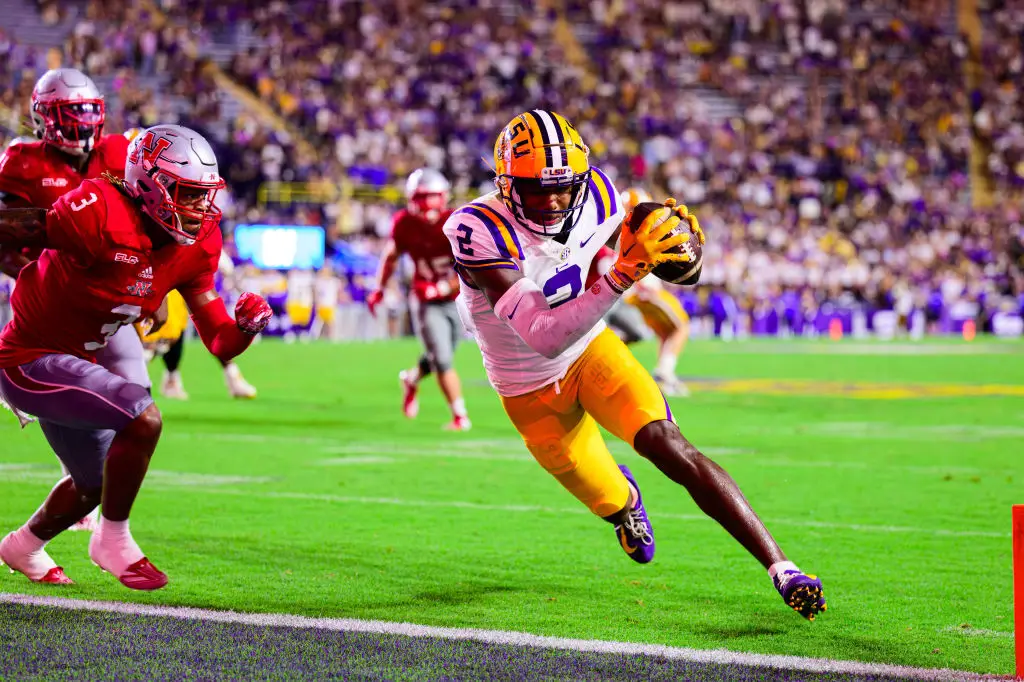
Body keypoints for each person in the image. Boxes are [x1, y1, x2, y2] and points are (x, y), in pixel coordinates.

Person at [442, 109, 826, 619]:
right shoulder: (478, 229)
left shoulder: (598, 194)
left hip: (593, 354)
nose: (553, 201)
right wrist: (624, 273)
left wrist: (673, 246)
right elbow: (544, 336)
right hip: (526, 385)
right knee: (606, 496)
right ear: (506, 184)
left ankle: (783, 569)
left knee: (668, 444)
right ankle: (626, 505)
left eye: (563, 187)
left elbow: (668, 254)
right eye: (537, 190)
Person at [0, 124, 272, 590]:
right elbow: (18, 229)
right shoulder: (98, 209)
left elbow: (220, 341)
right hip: (30, 357)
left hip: (83, 356)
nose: (201, 209)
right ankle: (113, 541)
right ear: (150, 185)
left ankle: (21, 546)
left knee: (94, 483)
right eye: (188, 194)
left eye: (206, 195)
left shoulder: (198, 244)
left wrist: (245, 327)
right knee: (142, 418)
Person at [0, 68, 145, 532]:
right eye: (70, 112)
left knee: (137, 397)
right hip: (45, 301)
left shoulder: (121, 152)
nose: (81, 121)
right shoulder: (21, 161)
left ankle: (102, 492)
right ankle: (80, 477)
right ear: (44, 117)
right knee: (57, 389)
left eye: (88, 111)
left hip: (104, 301)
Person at [367, 168, 471, 431]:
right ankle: (460, 415)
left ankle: (411, 378)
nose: (427, 204)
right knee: (443, 358)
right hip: (424, 300)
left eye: (432, 196)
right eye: (422, 197)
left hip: (456, 298)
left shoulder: (456, 222)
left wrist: (444, 287)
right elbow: (391, 256)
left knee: (441, 351)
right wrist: (379, 288)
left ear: (444, 196)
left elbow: (472, 266)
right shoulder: (404, 223)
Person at [615, 187, 692, 397]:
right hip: (642, 291)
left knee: (662, 332)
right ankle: (664, 374)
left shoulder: (615, 229)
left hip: (630, 292)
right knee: (681, 326)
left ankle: (607, 359)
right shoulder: (632, 230)